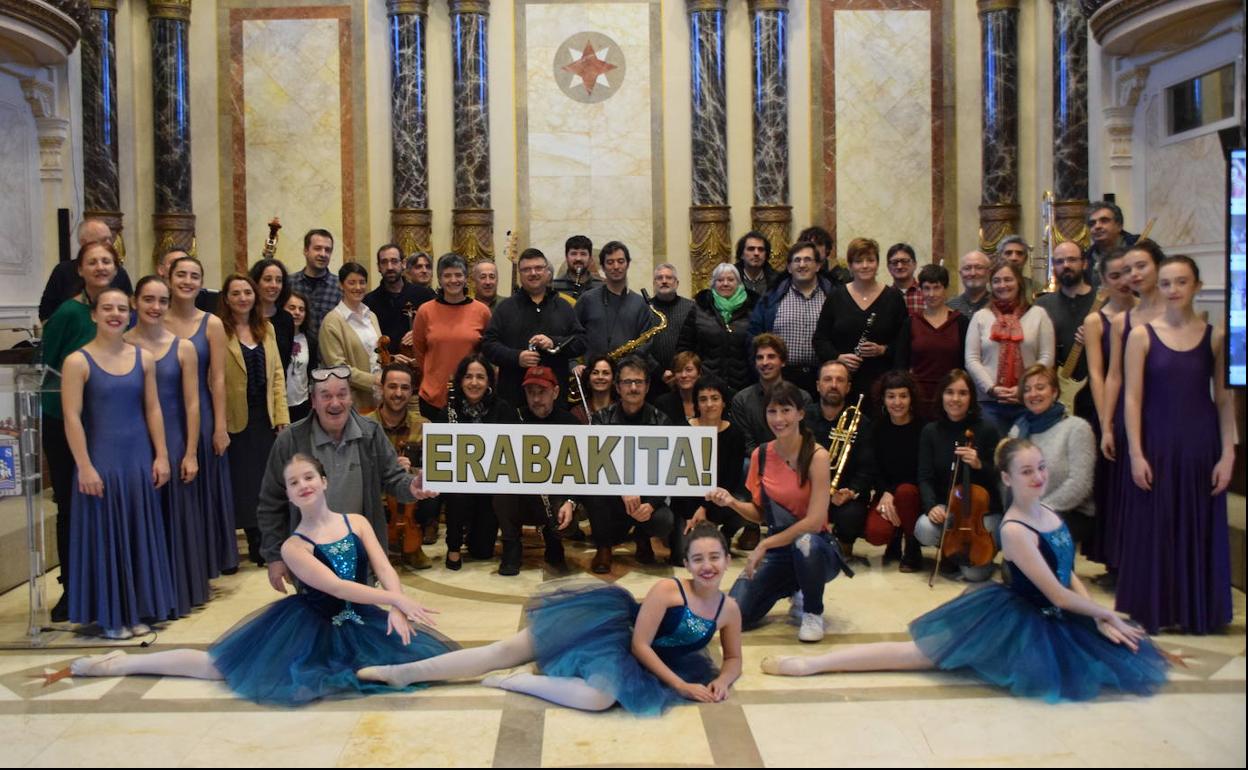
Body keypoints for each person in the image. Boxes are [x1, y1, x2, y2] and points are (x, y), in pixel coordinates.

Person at [760, 439, 1170, 704]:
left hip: (1061, 613)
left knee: (1123, 644)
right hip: (1019, 617)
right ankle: (815, 664)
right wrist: (1104, 613)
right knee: (920, 655)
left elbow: (1067, 573)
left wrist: (1097, 615)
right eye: (1027, 472)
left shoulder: (1048, 511)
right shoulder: (1014, 529)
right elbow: (1057, 594)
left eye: (1041, 468)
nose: (1039, 477)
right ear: (1007, 478)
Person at [65, 455, 456, 706]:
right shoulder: (293, 547)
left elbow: (384, 567)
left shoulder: (357, 521)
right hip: (310, 623)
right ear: (289, 495)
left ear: (324, 481)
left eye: (309, 477)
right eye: (294, 482)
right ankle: (122, 664)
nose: (303, 485)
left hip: (361, 617)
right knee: (218, 667)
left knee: (416, 661)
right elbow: (336, 587)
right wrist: (395, 600)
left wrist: (395, 604)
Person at [357, 523, 744, 715]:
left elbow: (733, 658)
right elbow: (640, 645)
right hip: (604, 631)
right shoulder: (668, 591)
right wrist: (681, 685)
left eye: (715, 557)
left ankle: (517, 682)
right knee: (502, 651)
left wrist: (723, 681)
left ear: (728, 560)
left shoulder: (728, 609)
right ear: (686, 563)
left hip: (644, 665)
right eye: (698, 559)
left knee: (600, 698)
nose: (707, 566)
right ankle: (403, 672)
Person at [1120, 256, 1235, 634]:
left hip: (1200, 445)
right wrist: (1135, 453)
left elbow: (1224, 400)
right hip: (1156, 444)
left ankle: (1197, 610)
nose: (1173, 290)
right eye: (1167, 283)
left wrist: (1228, 453)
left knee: (1197, 528)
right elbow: (1132, 399)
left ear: (1196, 286)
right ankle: (1156, 608)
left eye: (1181, 282)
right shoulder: (1141, 336)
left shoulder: (1215, 337)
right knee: (1156, 527)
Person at [61, 286, 175, 638]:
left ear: (130, 314)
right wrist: (84, 466)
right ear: (94, 314)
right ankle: (111, 616)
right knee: (106, 539)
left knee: (138, 535)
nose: (115, 314)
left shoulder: (143, 359)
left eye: (122, 309)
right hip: (102, 462)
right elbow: (72, 417)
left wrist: (161, 455)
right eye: (108, 308)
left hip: (137, 460)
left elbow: (152, 409)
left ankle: (137, 609)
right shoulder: (77, 361)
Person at [256, 369, 433, 592]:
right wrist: (274, 556)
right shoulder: (290, 440)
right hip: (310, 559)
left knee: (361, 609)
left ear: (351, 398)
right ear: (313, 401)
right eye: (326, 396)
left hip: (361, 555)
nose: (335, 403)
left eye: (342, 394)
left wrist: (412, 486)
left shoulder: (370, 433)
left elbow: (394, 478)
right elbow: (271, 502)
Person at [709, 381, 852, 643]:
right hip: (779, 551)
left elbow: (815, 522)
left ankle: (812, 611)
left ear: (800, 413)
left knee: (805, 543)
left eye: (786, 410)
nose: (778, 419)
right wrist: (731, 502)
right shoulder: (761, 455)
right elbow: (762, 514)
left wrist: (765, 544)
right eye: (772, 411)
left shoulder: (817, 456)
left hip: (817, 548)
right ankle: (793, 584)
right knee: (735, 615)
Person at [40, 239, 124, 621]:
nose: (101, 267)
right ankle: (72, 587)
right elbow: (47, 365)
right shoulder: (68, 313)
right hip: (64, 422)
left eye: (107, 261)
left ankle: (107, 583)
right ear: (80, 269)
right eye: (93, 262)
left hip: (107, 423)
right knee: (71, 505)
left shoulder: (120, 309)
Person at [125, 276, 208, 617]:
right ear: (135, 302)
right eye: (148, 299)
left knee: (174, 518)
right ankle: (144, 597)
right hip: (134, 442)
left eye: (162, 300)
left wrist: (190, 451)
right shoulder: (123, 344)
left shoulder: (183, 347)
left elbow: (193, 404)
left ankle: (176, 595)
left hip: (174, 439)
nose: (156, 307)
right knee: (142, 521)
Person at [165, 255, 239, 577]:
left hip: (204, 412)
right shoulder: (155, 319)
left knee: (202, 485)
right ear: (169, 279)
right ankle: (176, 559)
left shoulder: (212, 323)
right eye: (181, 275)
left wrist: (220, 427)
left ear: (201, 283)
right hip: (166, 413)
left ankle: (205, 559)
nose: (187, 281)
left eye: (194, 276)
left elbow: (218, 379)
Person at [1097, 240, 1167, 578]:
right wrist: (1107, 424)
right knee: (1137, 493)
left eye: (1140, 267)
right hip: (1131, 414)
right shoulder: (1122, 322)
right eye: (1126, 271)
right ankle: (1136, 568)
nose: (1133, 276)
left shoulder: (1178, 313)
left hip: (1170, 414)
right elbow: (1114, 376)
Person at [220, 274, 290, 565]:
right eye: (235, 293)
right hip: (234, 418)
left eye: (247, 292)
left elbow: (277, 375)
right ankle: (238, 542)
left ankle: (263, 541)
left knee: (264, 482)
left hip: (264, 417)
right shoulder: (218, 331)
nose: (242, 298)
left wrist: (282, 416)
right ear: (226, 299)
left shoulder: (267, 328)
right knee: (240, 483)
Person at [587, 355, 677, 574]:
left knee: (664, 520)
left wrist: (652, 503)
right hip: (612, 495)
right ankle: (604, 547)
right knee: (592, 493)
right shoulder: (601, 419)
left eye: (639, 382)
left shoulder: (662, 420)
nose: (633, 388)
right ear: (618, 387)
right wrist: (623, 488)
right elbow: (596, 466)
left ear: (647, 387)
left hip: (645, 495)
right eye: (627, 382)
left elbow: (669, 472)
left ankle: (642, 536)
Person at [913, 369, 1002, 582]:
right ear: (941, 396)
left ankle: (979, 554)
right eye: (950, 392)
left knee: (974, 574)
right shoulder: (931, 431)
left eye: (963, 393)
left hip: (982, 513)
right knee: (924, 528)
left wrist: (980, 464)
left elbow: (1000, 476)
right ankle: (951, 550)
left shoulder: (987, 430)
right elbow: (924, 476)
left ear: (971, 398)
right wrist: (931, 506)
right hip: (949, 506)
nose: (955, 399)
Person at [1079, 247, 1135, 567]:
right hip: (1107, 408)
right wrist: (1106, 419)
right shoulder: (1095, 320)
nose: (1124, 281)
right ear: (1103, 281)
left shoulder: (1149, 313)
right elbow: (1098, 374)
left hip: (1144, 407)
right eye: (1115, 275)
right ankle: (1115, 556)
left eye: (1128, 273)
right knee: (1112, 485)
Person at [482, 247, 586, 408]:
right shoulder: (505, 308)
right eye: (527, 269)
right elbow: (488, 345)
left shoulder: (564, 307)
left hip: (555, 403)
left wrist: (554, 342)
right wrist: (516, 357)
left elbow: (581, 342)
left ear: (547, 272)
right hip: (512, 401)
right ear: (520, 274)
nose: (533, 273)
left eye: (538, 268)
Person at [495, 365, 574, 575]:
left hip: (555, 499)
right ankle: (511, 546)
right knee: (500, 491)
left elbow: (584, 473)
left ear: (555, 392)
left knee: (566, 510)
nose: (536, 399)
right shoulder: (513, 418)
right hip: (520, 497)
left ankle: (554, 541)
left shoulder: (570, 422)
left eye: (542, 392)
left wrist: (571, 501)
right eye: (531, 392)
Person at [813, 237, 908, 407]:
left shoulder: (894, 298)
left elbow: (904, 343)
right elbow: (820, 339)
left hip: (882, 383)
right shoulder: (836, 297)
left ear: (877, 264)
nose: (865, 266)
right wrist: (838, 357)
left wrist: (883, 350)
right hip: (843, 383)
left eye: (870, 260)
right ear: (850, 266)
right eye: (858, 261)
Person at [441, 353, 516, 569]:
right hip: (459, 484)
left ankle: (474, 532)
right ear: (460, 380)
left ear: (489, 382)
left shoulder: (503, 409)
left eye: (480, 377)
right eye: (468, 377)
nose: (474, 383)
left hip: (491, 486)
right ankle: (453, 547)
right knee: (457, 495)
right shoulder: (448, 410)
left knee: (482, 551)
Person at [965, 260, 1055, 435]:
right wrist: (991, 389)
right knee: (992, 451)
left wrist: (1024, 387)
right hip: (989, 403)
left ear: (1019, 283)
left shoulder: (1038, 315)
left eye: (1008, 280)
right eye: (997, 281)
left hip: (1029, 400)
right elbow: (971, 359)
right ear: (990, 285)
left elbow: (1047, 356)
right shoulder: (981, 317)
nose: (1002, 285)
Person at [1007, 365, 1095, 543]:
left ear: (1054, 392)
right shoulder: (1017, 430)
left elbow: (1080, 484)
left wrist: (1040, 510)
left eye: (1040, 387)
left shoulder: (1077, 428)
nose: (1033, 394)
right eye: (1027, 390)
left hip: (1070, 512)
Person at [364, 363, 436, 571]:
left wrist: (411, 473)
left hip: (410, 502)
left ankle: (412, 546)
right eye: (392, 386)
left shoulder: (424, 426)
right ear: (381, 388)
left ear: (412, 391)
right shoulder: (363, 425)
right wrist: (386, 469)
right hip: (376, 497)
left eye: (405, 388)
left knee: (432, 494)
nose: (398, 393)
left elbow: (434, 471)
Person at [803, 361, 875, 560]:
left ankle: (843, 541)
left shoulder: (861, 422)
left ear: (848, 387)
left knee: (851, 515)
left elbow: (867, 467)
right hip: (809, 490)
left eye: (840, 380)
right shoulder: (804, 418)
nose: (833, 385)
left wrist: (852, 491)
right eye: (828, 379)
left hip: (843, 494)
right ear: (818, 385)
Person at [410, 253, 492, 422]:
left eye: (458, 275)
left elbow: (488, 353)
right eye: (447, 275)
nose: (453, 280)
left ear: (466, 278)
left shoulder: (482, 311)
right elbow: (419, 352)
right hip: (433, 398)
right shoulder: (425, 311)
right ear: (440, 279)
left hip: (472, 398)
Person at [750, 241, 834, 397]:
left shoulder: (833, 296)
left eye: (807, 259)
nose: (802, 265)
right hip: (781, 377)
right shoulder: (771, 298)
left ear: (818, 266)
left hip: (822, 377)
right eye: (797, 260)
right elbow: (754, 337)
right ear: (789, 267)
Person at [862, 370, 925, 572]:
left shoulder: (924, 428)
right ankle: (895, 537)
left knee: (905, 492)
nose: (897, 402)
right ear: (883, 399)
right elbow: (874, 469)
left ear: (911, 398)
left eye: (903, 396)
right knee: (875, 533)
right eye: (891, 396)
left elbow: (922, 471)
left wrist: (892, 492)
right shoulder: (876, 428)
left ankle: (913, 547)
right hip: (886, 492)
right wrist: (886, 493)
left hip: (915, 494)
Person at [893, 263, 968, 421]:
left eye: (937, 288)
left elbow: (965, 364)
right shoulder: (911, 322)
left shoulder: (960, 322)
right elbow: (901, 365)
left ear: (945, 289)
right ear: (920, 290)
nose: (932, 294)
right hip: (919, 399)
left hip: (952, 397)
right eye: (926, 288)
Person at [681, 377, 749, 544]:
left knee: (741, 505)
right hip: (686, 503)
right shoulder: (683, 430)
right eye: (703, 399)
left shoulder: (735, 434)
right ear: (697, 404)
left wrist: (704, 508)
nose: (709, 404)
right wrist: (692, 511)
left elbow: (730, 480)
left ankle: (725, 534)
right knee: (683, 552)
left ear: (724, 402)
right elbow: (679, 482)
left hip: (717, 500)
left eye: (715, 398)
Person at [1035, 240, 1097, 420]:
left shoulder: (1102, 301)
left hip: (1096, 394)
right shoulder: (1042, 305)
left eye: (1072, 259)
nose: (1066, 265)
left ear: (1084, 263)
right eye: (1059, 261)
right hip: (1058, 396)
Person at [575, 241, 658, 369]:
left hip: (627, 374)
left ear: (628, 264)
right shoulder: (587, 299)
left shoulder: (641, 304)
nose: (616, 266)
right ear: (602, 267)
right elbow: (572, 336)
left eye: (620, 261)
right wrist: (574, 364)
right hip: (593, 374)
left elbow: (645, 346)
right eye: (610, 262)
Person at [38, 218, 133, 322]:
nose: (109, 244)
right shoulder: (63, 272)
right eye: (103, 240)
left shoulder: (120, 273)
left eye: (110, 239)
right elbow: (46, 314)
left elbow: (130, 310)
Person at [319, 263, 383, 414]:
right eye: (352, 282)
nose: (358, 287)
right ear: (341, 285)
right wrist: (374, 380)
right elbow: (338, 368)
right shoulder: (332, 322)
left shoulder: (371, 316)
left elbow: (377, 353)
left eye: (362, 282)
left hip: (379, 398)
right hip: (353, 402)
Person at [688, 262, 758, 394]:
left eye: (730, 280)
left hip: (744, 383)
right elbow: (686, 345)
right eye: (720, 280)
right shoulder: (699, 308)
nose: (725, 284)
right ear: (713, 284)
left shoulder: (753, 309)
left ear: (739, 283)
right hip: (707, 382)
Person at [364, 243, 435, 364]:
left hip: (421, 365)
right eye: (384, 262)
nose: (390, 267)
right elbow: (366, 343)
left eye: (394, 261)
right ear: (378, 267)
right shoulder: (369, 301)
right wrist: (389, 358)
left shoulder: (425, 295)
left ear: (403, 264)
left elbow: (440, 328)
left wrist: (421, 332)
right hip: (386, 368)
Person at [648, 263, 697, 396]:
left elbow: (695, 342)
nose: (664, 281)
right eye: (659, 278)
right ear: (654, 283)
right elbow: (641, 347)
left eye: (669, 278)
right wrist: (659, 372)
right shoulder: (644, 309)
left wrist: (679, 371)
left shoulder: (691, 307)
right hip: (652, 379)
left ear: (677, 283)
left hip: (685, 377)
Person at [286, 228, 342, 338]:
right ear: (305, 251)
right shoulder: (288, 283)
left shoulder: (340, 287)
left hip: (327, 348)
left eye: (327, 250)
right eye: (317, 248)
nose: (323, 254)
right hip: (294, 347)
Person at [248, 258, 294, 370]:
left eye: (279, 280)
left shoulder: (287, 319)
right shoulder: (245, 317)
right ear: (255, 283)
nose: (274, 285)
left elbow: (285, 360)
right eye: (268, 279)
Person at [1084, 201, 1138, 290]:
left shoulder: (1140, 246)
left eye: (1104, 221)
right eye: (1092, 224)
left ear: (1119, 225)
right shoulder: (1086, 259)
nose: (1097, 226)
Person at [283, 290, 319, 424]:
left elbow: (312, 373)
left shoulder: (310, 340)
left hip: (303, 404)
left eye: (301, 309)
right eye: (292, 308)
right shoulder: (274, 337)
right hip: (281, 405)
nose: (297, 312)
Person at [550, 234, 603, 302]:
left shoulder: (601, 287)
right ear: (566, 257)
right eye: (574, 254)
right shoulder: (553, 287)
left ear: (590, 258)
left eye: (583, 254)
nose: (578, 258)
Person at [654, 351, 701, 425]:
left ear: (699, 373)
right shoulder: (663, 403)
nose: (683, 375)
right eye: (679, 370)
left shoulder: (707, 401)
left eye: (689, 370)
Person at [571, 355, 617, 424]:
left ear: (613, 379)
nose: (600, 377)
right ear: (588, 379)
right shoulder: (577, 412)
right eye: (595, 373)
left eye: (606, 373)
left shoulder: (622, 411)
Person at [946, 250, 992, 318]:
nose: (973, 273)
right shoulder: (949, 307)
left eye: (979, 268)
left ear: (989, 273)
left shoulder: (998, 305)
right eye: (967, 268)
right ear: (961, 274)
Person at [734, 231, 777, 298]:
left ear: (766, 255)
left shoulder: (777, 281)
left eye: (761, 249)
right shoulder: (730, 278)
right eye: (751, 249)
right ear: (742, 254)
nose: (756, 253)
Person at [885, 243, 923, 316]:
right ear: (888, 267)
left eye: (905, 261)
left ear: (915, 264)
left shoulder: (927, 294)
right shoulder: (884, 297)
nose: (899, 266)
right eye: (894, 262)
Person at [998, 235, 1037, 303]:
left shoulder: (1036, 287)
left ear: (1025, 259)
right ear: (999, 258)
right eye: (1008, 253)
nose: (1014, 258)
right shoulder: (989, 288)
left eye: (1019, 254)